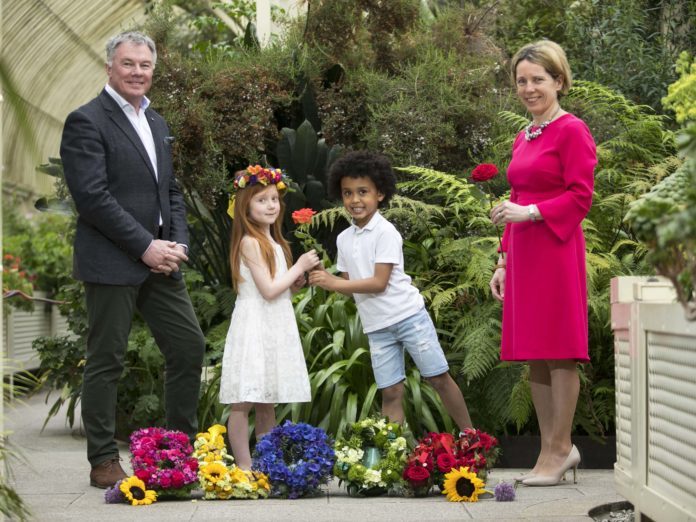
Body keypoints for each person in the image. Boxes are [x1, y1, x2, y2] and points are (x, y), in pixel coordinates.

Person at [60, 31, 205, 488]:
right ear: (109, 67)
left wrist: (177, 244)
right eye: (128, 64)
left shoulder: (157, 122)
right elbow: (93, 199)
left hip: (162, 260)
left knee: (188, 346)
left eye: (145, 65)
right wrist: (146, 245)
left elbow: (172, 192)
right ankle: (103, 460)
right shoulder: (86, 121)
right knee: (107, 358)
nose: (137, 72)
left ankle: (178, 451)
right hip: (113, 259)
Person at [488, 40, 597, 486]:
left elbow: (580, 196)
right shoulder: (526, 134)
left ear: (558, 80)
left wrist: (531, 214)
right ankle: (548, 449)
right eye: (522, 81)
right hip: (525, 253)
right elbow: (516, 197)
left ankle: (560, 448)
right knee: (534, 354)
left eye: (538, 79)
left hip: (555, 249)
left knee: (559, 352)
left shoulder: (572, 130)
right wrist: (502, 259)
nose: (529, 88)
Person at [309, 151, 473, 432]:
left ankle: (472, 438)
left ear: (380, 194)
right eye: (348, 193)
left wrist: (333, 282)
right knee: (390, 392)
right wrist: (317, 277)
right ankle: (391, 457)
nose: (355, 200)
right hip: (377, 327)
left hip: (409, 317)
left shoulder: (386, 232)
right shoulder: (344, 238)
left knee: (438, 378)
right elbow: (350, 285)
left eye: (363, 192)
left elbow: (378, 282)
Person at [219, 165, 320, 470]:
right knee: (245, 398)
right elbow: (267, 291)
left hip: (273, 324)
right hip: (255, 326)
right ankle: (245, 467)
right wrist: (299, 267)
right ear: (245, 206)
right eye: (261, 200)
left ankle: (267, 465)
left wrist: (295, 282)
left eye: (273, 199)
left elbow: (278, 288)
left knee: (267, 399)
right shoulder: (250, 242)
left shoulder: (274, 242)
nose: (270, 205)